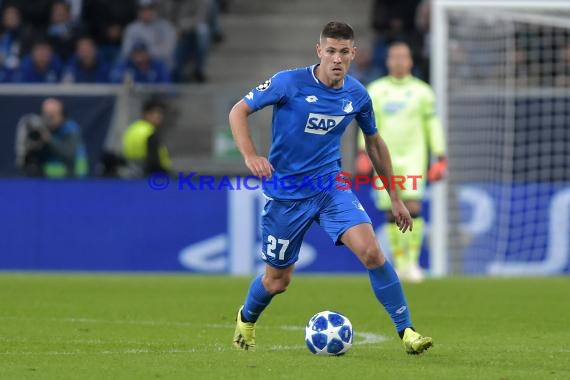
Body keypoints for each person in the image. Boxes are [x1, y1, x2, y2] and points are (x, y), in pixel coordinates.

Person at [229, 21, 433, 354]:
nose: (336, 59)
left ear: (353, 54)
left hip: (330, 187)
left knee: (372, 252)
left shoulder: (356, 94)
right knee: (277, 281)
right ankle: (247, 318)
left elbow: (375, 143)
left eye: (343, 52)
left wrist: (395, 196)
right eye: (330, 51)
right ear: (319, 51)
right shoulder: (288, 82)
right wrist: (251, 155)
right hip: (287, 195)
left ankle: (407, 331)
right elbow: (239, 111)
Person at [357, 41, 447, 282]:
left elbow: (433, 124)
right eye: (393, 57)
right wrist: (362, 152)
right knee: (389, 211)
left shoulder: (423, 91)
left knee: (413, 207)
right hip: (384, 159)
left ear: (410, 61)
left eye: (402, 57)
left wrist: (440, 155)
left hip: (414, 157)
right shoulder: (375, 90)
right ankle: (399, 263)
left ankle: (413, 264)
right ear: (387, 61)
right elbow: (366, 126)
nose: (398, 61)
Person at [14, 97, 88, 178]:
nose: (48, 119)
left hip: (71, 180)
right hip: (44, 181)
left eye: (52, 116)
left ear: (62, 115)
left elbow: (69, 155)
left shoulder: (71, 129)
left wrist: (49, 139)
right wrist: (30, 146)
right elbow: (27, 163)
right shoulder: (40, 130)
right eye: (45, 115)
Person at [122, 98, 172, 177]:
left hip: (132, 171)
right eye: (156, 113)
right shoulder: (149, 133)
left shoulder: (132, 128)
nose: (159, 117)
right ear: (146, 114)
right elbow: (153, 161)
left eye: (161, 114)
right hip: (150, 176)